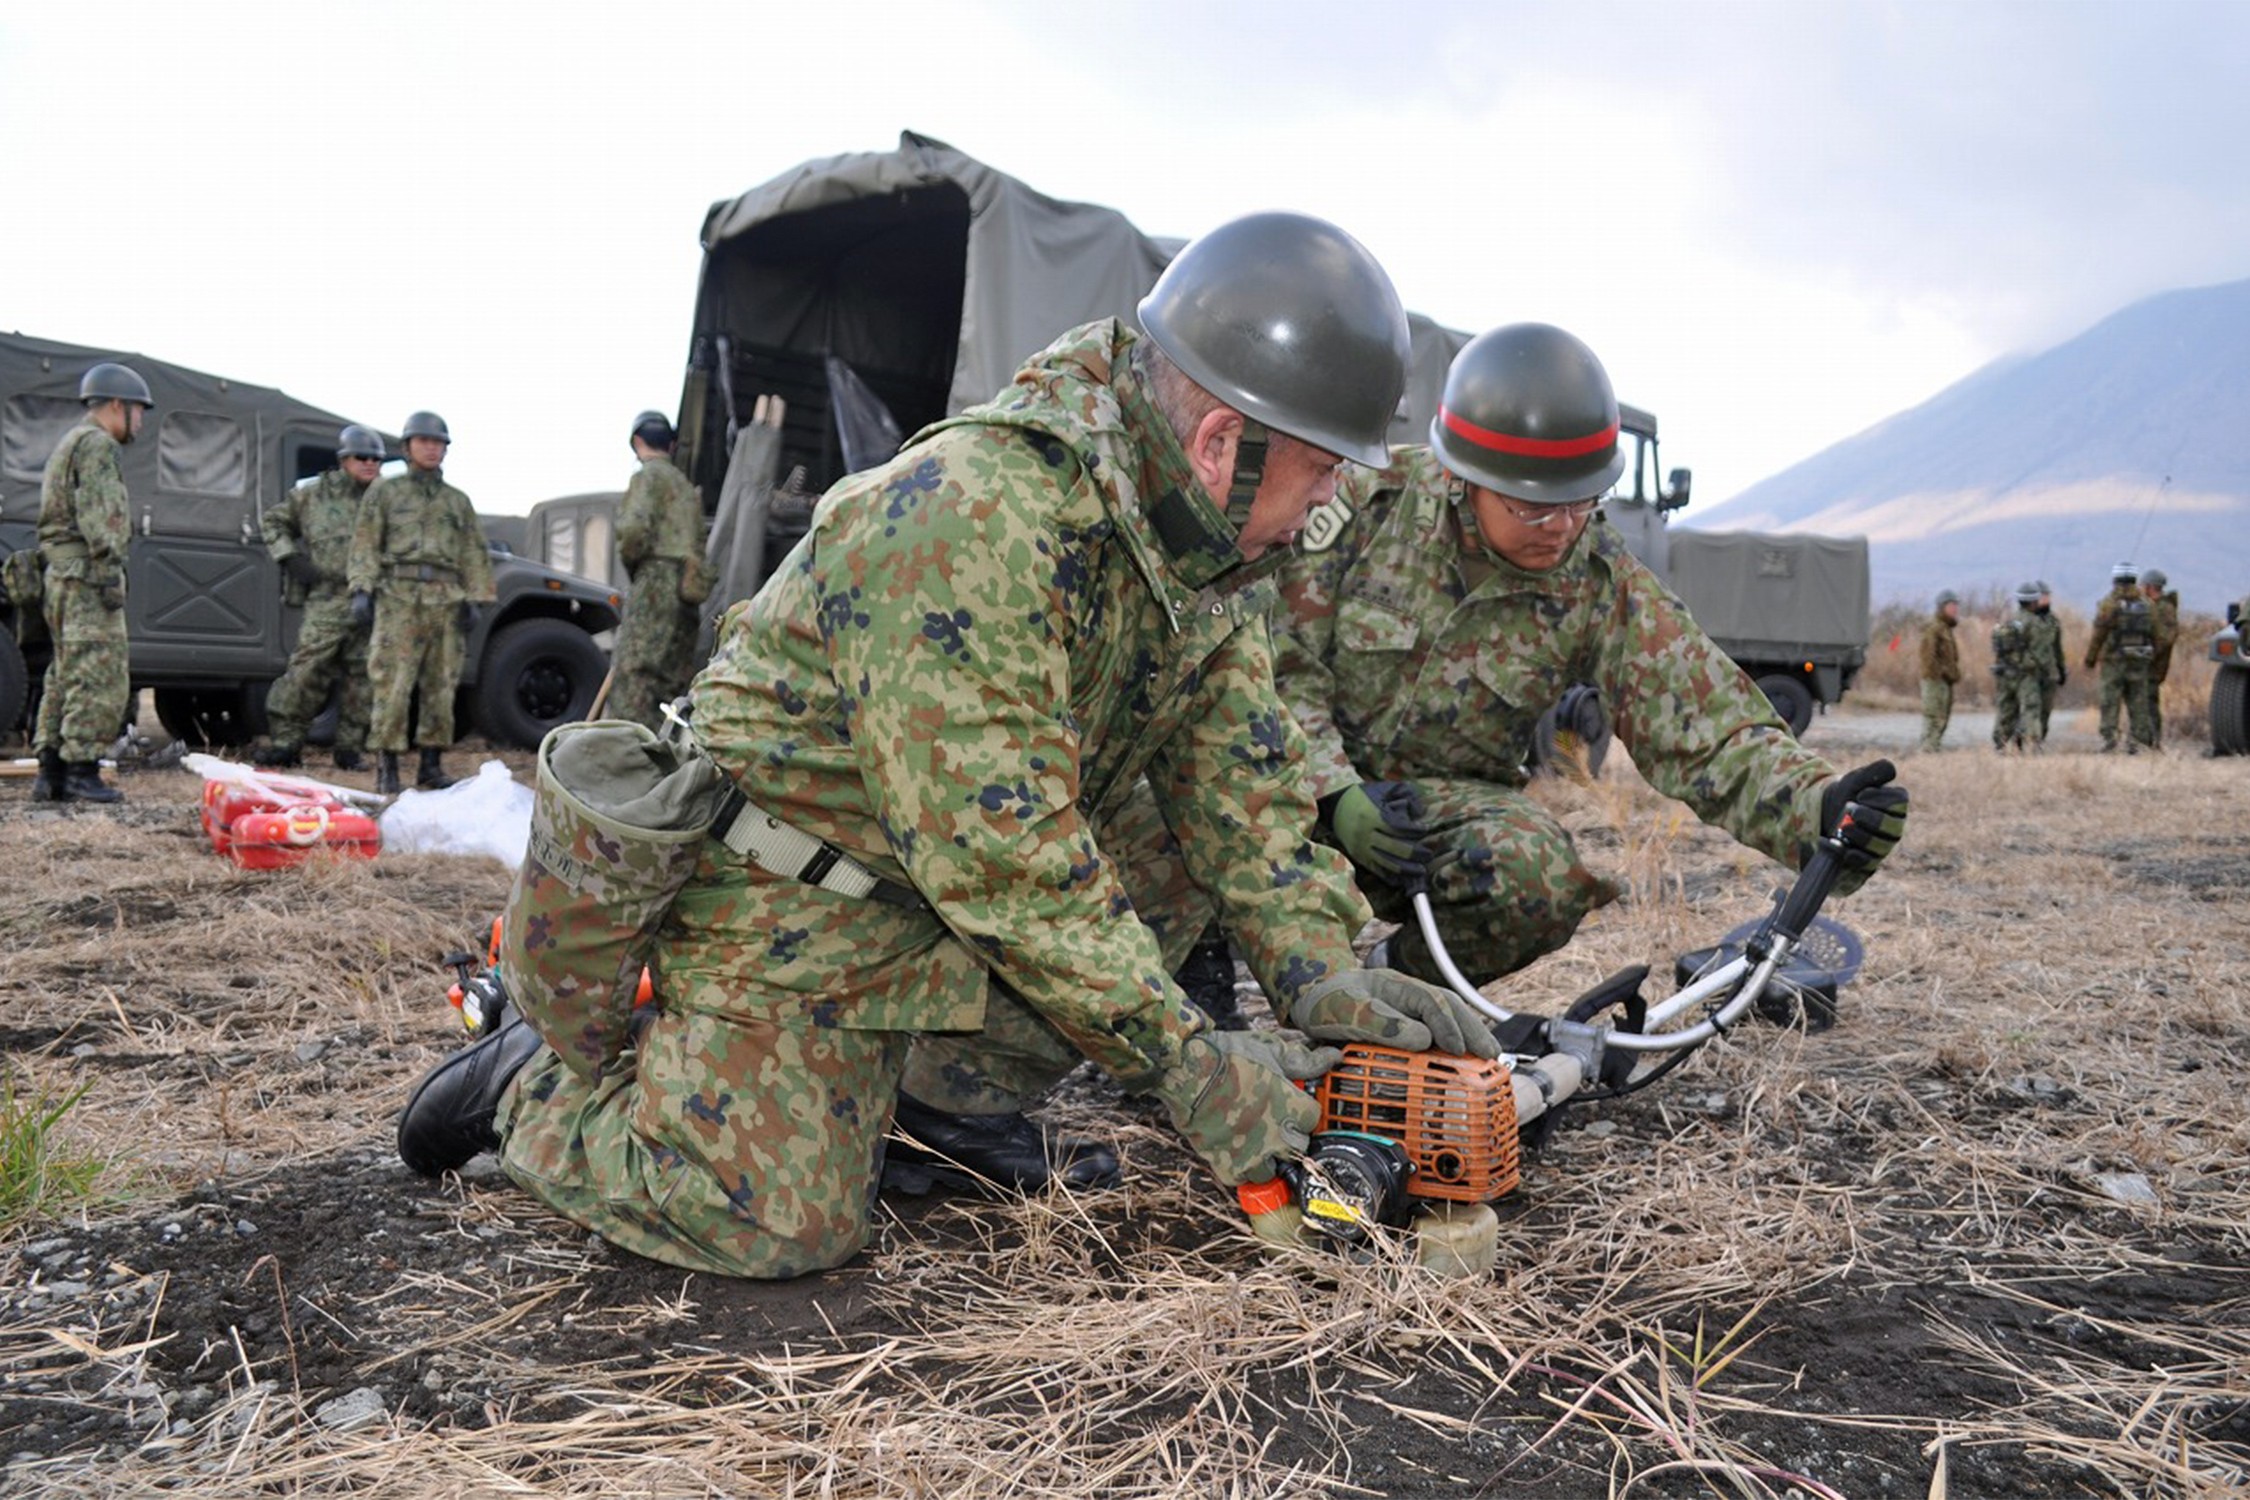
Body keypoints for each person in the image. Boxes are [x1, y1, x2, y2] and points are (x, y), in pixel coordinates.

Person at [398, 212, 1506, 1279]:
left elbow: (1244, 799)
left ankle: (933, 1109)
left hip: (931, 891)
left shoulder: (1201, 550)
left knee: (1177, 838)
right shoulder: (978, 517)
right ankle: (530, 1087)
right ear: (1224, 444)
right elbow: (1009, 865)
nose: (1321, 515)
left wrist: (1324, 980)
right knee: (772, 1228)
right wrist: (1194, 1069)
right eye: (1321, 477)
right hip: (782, 899)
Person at [1270, 323, 1909, 987]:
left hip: (1428, 815)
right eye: (1533, 508)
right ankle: (1199, 977)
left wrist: (1818, 806)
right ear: (1467, 479)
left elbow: (1705, 724)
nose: (1562, 528)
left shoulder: (1597, 580)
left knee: (1539, 876)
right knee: (1190, 785)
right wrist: (1334, 788)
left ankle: (1388, 986)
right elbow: (1277, 657)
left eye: (1582, 502)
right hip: (1287, 777)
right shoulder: (1363, 504)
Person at [347, 411, 494, 794]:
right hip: (398, 597)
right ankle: (387, 767)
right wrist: (361, 590)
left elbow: (473, 551)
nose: (432, 448)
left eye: (439, 442)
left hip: (445, 601)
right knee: (392, 683)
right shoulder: (386, 492)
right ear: (407, 447)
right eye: (424, 441)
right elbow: (365, 541)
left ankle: (431, 765)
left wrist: (476, 597)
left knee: (440, 686)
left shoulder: (457, 501)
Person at [30, 363, 153, 804]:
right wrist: (108, 573)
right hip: (86, 575)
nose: (140, 421)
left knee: (64, 673)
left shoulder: (70, 442)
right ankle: (82, 772)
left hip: (61, 575)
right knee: (98, 674)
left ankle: (52, 774)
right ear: (117, 405)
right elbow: (104, 518)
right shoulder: (98, 445)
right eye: (139, 411)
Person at [253, 425, 385, 771]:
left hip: (373, 598)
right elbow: (272, 521)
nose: (370, 464)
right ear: (344, 460)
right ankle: (286, 743)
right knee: (307, 671)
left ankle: (350, 749)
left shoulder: (388, 498)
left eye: (377, 459)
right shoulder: (313, 495)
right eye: (362, 457)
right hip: (327, 597)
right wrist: (290, 558)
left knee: (364, 677)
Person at [605, 410, 710, 728]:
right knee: (672, 679)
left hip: (656, 582)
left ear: (637, 442)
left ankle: (627, 754)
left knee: (635, 675)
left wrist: (635, 566)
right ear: (672, 444)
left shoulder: (646, 477)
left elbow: (634, 532)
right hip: (689, 589)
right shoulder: (687, 488)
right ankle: (664, 760)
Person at [2085, 562, 2156, 753]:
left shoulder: (2109, 604)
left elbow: (2099, 633)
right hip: (2139, 660)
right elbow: (2156, 633)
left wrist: (2090, 658)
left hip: (2113, 660)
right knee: (2138, 700)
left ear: (2115, 579)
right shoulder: (2147, 604)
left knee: (2110, 700)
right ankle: (2139, 741)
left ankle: (2110, 739)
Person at [1989, 583, 2042, 753]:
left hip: (2005, 673)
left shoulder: (2008, 621)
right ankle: (2032, 745)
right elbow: (2041, 651)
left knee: (2005, 710)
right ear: (2033, 602)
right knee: (2031, 708)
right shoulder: (2034, 622)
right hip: (2026, 674)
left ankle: (2000, 744)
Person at [2023, 579, 2067, 744]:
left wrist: (2062, 670)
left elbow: (2058, 649)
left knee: (2045, 710)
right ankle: (2028, 740)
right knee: (2030, 708)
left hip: (2050, 673)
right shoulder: (2025, 621)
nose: (2047, 600)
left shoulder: (2053, 622)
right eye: (2043, 596)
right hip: (2031, 672)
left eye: (2048, 596)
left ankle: (2039, 740)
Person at [1918, 590, 1962, 753]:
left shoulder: (1945, 628)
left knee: (1943, 716)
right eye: (1952, 605)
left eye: (1956, 605)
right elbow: (1928, 656)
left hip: (1944, 680)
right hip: (1935, 680)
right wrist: (1940, 673)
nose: (1955, 609)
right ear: (1942, 607)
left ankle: (1933, 747)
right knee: (1934, 716)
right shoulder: (1934, 628)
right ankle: (1928, 748)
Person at [2141, 566, 2178, 748]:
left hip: (2154, 666)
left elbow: (2166, 637)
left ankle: (2153, 741)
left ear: (2150, 587)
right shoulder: (2154, 606)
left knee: (2149, 702)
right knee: (2144, 701)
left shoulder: (2165, 608)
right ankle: (2145, 739)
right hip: (2148, 663)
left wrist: (2150, 653)